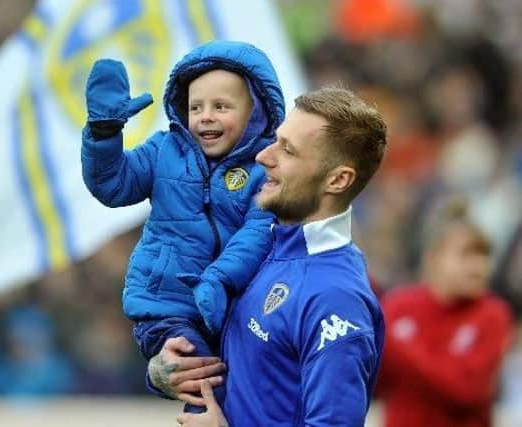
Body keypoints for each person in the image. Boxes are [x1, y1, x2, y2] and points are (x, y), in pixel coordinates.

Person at [149, 85, 388, 426]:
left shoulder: (335, 299)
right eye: (275, 140)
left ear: (337, 180)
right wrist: (166, 372)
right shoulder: (264, 247)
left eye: (287, 151)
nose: (264, 156)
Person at [81, 40, 285, 409]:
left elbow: (258, 234)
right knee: (205, 384)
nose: (205, 116)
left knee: (248, 394)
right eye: (195, 107)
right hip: (167, 308)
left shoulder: (265, 170)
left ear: (255, 112)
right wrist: (104, 135)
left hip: (234, 310)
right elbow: (112, 184)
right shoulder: (164, 150)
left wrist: (218, 280)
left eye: (221, 106)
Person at [375, 198, 514, 427]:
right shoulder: (399, 305)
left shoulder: (493, 314)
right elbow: (376, 382)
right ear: (433, 259)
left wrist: (400, 345)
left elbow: (465, 390)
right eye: (466, 255)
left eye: (485, 256)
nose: (479, 267)